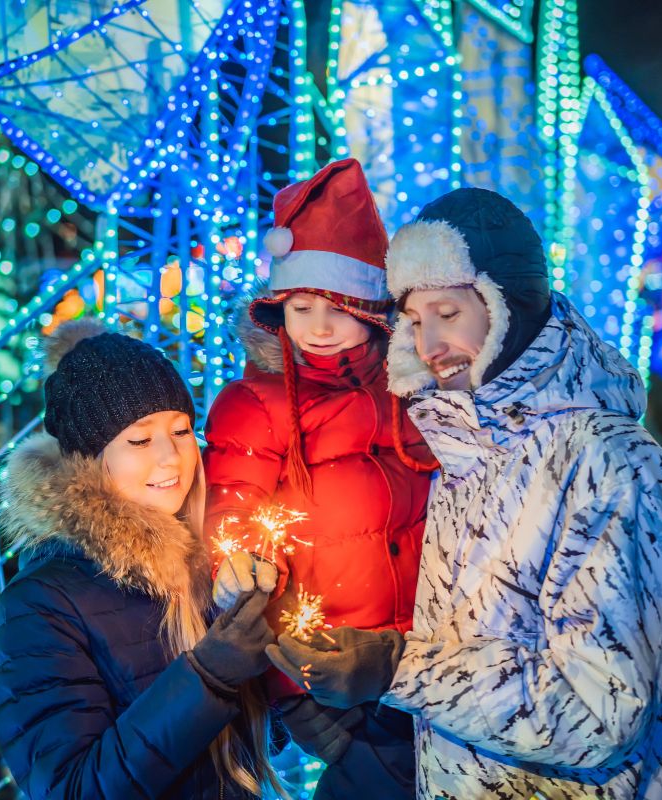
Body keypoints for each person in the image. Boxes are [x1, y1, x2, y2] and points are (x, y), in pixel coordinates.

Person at [266, 188, 662, 799]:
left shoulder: (611, 463)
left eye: (448, 313)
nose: (431, 345)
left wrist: (396, 666)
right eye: (414, 322)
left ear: (507, 305)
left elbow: (602, 709)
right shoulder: (463, 452)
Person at [203, 158, 435, 797]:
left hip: (416, 664)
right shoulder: (258, 403)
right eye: (303, 308)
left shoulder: (408, 391)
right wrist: (237, 564)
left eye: (338, 308)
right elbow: (234, 510)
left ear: (371, 309)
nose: (320, 328)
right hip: (323, 676)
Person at [0, 319, 283, 799]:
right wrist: (207, 678)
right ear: (86, 458)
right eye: (140, 440)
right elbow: (72, 789)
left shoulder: (211, 561)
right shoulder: (37, 606)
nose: (171, 457)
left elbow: (243, 750)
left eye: (182, 430)